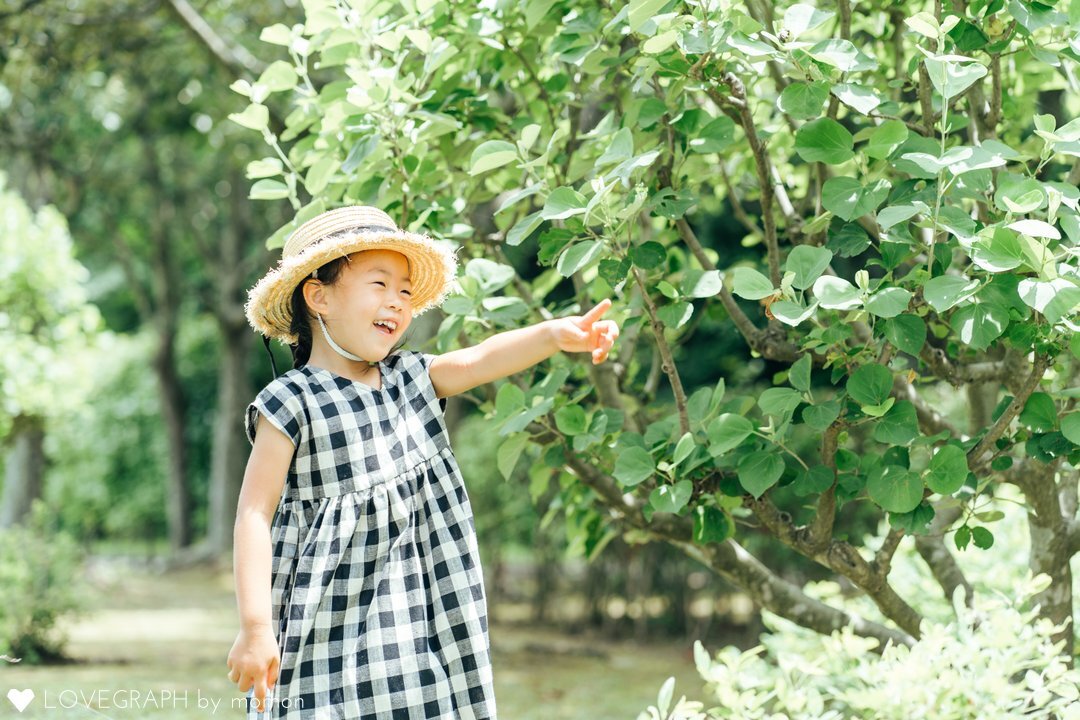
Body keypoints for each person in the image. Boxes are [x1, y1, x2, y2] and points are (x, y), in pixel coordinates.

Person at [225, 205, 619, 719]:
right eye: (379, 283)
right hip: (329, 627)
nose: (397, 301)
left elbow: (480, 358)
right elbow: (254, 514)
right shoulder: (290, 402)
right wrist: (257, 627)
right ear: (319, 297)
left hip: (421, 619)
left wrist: (551, 336)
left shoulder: (412, 379)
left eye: (406, 291)